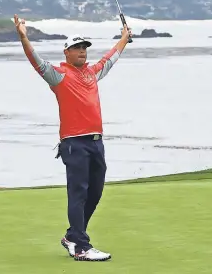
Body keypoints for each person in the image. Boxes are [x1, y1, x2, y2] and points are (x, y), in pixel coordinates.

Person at [13, 14, 132, 262]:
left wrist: (123, 38)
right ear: (66, 52)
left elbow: (110, 59)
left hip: (96, 142)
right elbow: (35, 60)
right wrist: (23, 36)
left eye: (84, 48)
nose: (82, 52)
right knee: (78, 193)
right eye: (76, 48)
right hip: (74, 143)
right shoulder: (58, 75)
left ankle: (73, 236)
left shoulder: (92, 73)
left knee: (96, 192)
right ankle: (81, 247)